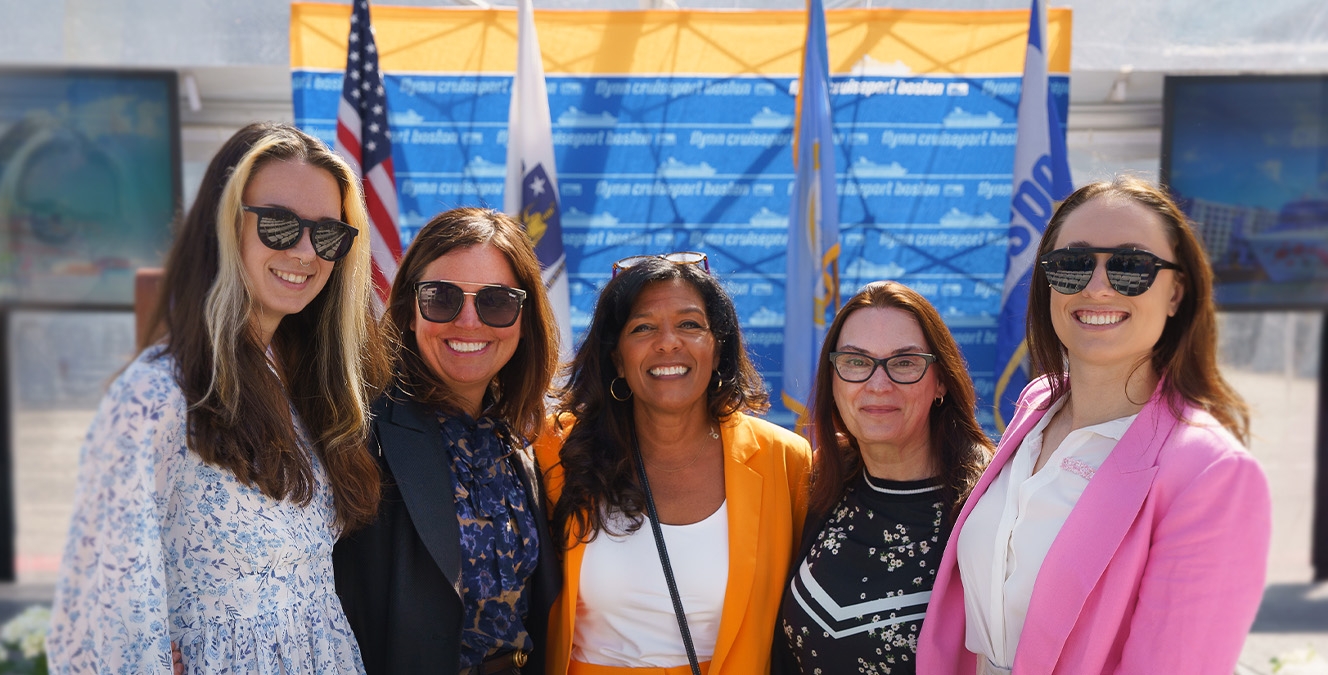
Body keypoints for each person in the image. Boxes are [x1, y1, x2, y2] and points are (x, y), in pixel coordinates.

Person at [48, 122, 378, 673]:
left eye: (327, 235)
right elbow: (103, 619)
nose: (304, 252)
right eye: (278, 225)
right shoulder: (158, 396)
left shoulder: (306, 384)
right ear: (225, 225)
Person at [916, 176, 1271, 674]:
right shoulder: (1038, 403)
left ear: (1176, 292)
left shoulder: (1211, 473)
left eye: (1130, 266)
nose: (1097, 286)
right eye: (1072, 264)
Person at [536, 253, 811, 675]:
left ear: (718, 349)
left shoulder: (785, 460)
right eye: (643, 327)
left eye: (690, 325)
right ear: (617, 359)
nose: (668, 342)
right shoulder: (557, 450)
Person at [332, 207, 562, 675]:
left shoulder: (521, 438)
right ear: (410, 311)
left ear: (524, 317)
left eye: (496, 301)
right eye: (442, 298)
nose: (469, 322)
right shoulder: (358, 432)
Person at [772, 281, 993, 674]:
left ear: (941, 380)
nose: (878, 384)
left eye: (904, 362)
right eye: (856, 362)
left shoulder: (989, 505)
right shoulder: (825, 476)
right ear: (833, 379)